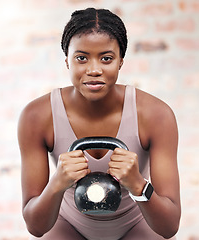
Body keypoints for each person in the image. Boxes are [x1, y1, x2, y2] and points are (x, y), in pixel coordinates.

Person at [18, 8, 181, 240]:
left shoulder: (157, 115)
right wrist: (57, 184)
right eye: (81, 58)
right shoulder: (36, 116)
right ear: (67, 61)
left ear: (121, 62)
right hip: (68, 225)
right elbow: (35, 227)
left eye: (106, 58)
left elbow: (170, 226)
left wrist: (138, 185)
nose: (94, 70)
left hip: (138, 224)